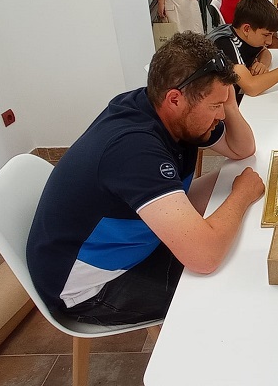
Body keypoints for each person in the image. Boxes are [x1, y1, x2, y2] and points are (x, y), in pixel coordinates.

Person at [27, 32, 264, 326]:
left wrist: (227, 102)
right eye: (214, 106)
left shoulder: (169, 110)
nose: (219, 116)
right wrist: (240, 196)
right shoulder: (133, 147)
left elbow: (242, 149)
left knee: (236, 231)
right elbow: (205, 257)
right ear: (174, 98)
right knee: (234, 284)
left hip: (134, 243)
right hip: (91, 287)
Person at [207, 0, 278, 103]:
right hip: (212, 106)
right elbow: (252, 87)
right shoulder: (225, 43)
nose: (269, 41)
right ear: (247, 29)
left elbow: (265, 52)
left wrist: (262, 64)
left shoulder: (243, 34)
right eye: (266, 35)